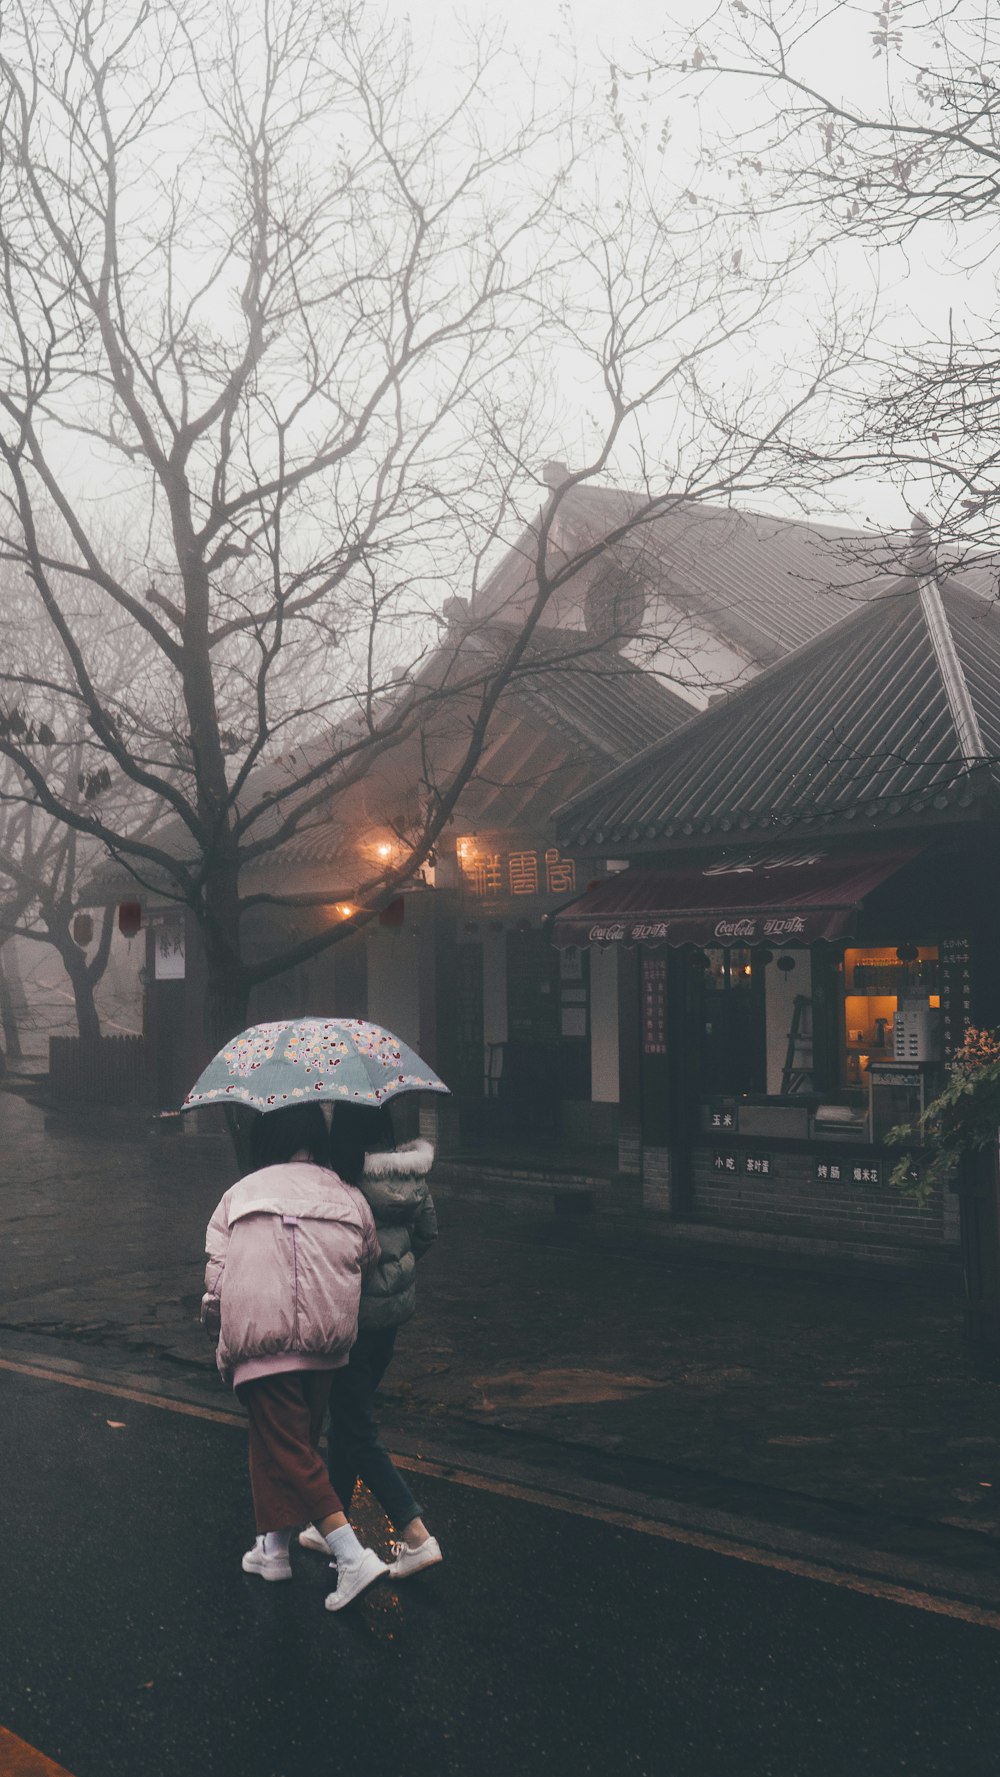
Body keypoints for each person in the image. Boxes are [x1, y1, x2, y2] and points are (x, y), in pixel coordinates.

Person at [201, 1100, 388, 1611]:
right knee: (286, 1442)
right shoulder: (347, 1195)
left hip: (263, 1338)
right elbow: (367, 1261)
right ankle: (274, 1549)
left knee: (289, 1448)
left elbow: (217, 1272)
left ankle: (352, 1557)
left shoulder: (240, 1193)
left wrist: (219, 1307)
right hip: (327, 1343)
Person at [299, 1102, 443, 1577]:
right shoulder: (410, 1177)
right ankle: (329, 1525)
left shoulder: (343, 1183)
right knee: (348, 1419)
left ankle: (414, 1532)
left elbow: (335, 1250)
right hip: (391, 1320)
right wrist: (397, 1273)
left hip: (352, 1319)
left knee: (357, 1428)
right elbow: (427, 1234)